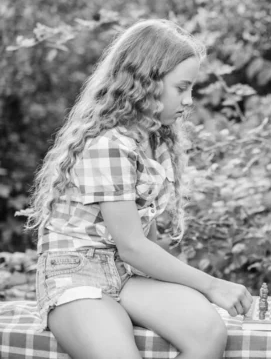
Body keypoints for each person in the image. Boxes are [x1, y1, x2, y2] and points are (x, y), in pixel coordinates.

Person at [26, 19, 253, 359]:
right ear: (145, 81)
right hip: (76, 275)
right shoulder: (107, 144)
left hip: (126, 274)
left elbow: (149, 242)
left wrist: (184, 282)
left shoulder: (153, 139)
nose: (189, 100)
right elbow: (132, 245)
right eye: (182, 87)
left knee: (208, 332)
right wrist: (212, 285)